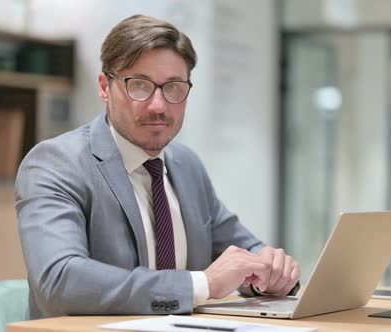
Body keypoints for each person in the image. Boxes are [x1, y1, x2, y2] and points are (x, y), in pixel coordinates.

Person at [15, 14, 300, 319]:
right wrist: (202, 283)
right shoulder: (56, 163)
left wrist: (270, 271)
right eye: (139, 85)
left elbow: (243, 252)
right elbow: (61, 281)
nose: (158, 106)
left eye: (174, 88)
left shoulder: (186, 165)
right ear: (104, 87)